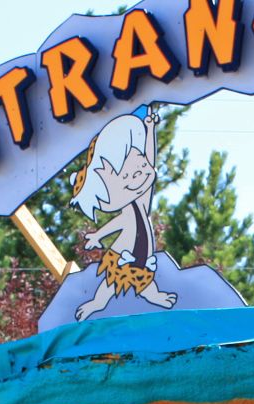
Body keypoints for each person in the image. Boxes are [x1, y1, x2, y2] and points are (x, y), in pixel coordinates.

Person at [69, 107, 178, 320]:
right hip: (121, 256)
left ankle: (155, 296)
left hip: (141, 258)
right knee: (109, 286)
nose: (140, 172)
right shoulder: (130, 208)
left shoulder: (141, 201)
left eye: (140, 164)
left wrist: (149, 131)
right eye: (128, 174)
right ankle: (96, 304)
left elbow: (151, 160)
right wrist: (98, 235)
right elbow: (120, 221)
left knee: (145, 282)